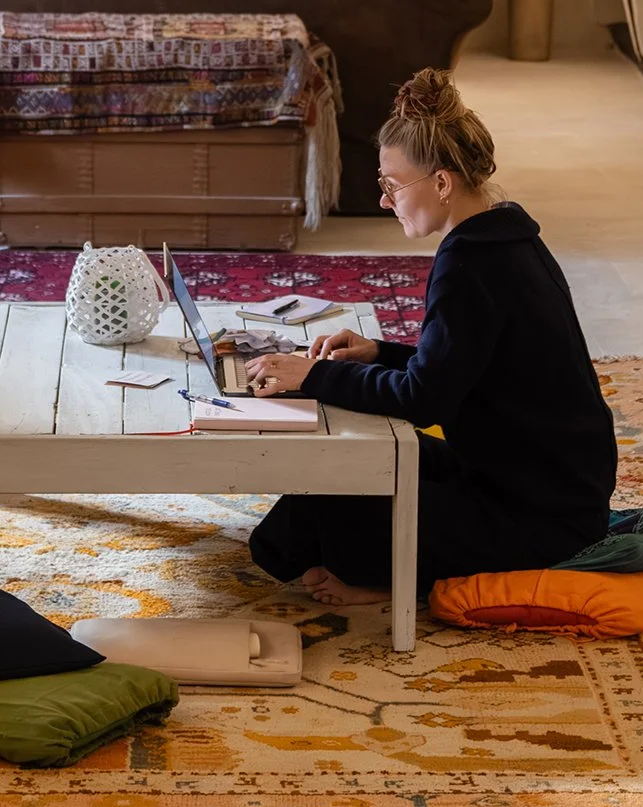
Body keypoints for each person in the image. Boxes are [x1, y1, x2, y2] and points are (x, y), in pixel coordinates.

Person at [245, 68, 616, 608]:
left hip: (537, 517)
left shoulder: (470, 262)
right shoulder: (507, 232)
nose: (384, 200)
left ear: (442, 183)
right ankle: (366, 557)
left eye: (392, 186)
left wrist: (315, 376)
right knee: (345, 467)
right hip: (536, 488)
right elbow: (463, 363)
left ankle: (387, 583)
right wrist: (378, 352)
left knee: (337, 504)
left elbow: (424, 398)